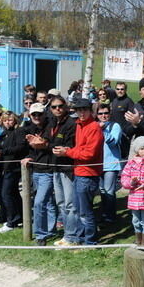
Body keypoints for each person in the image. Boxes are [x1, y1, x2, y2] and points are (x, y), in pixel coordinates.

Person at [53, 98, 102, 246]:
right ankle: (80, 239)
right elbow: (81, 150)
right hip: (79, 171)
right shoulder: (80, 125)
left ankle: (90, 242)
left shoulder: (93, 127)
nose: (81, 113)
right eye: (78, 110)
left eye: (84, 109)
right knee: (80, 209)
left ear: (90, 110)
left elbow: (89, 153)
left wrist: (68, 152)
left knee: (86, 212)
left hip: (88, 173)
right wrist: (70, 151)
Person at [43, 96, 79, 245]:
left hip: (68, 168)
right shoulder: (51, 122)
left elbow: (69, 144)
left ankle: (73, 236)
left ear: (65, 107)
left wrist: (54, 146)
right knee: (61, 203)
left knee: (71, 204)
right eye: (54, 107)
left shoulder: (71, 123)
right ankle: (67, 234)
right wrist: (42, 142)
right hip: (55, 166)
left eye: (60, 106)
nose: (57, 109)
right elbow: (48, 140)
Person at [24, 103, 57, 245]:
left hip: (48, 170)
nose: (37, 117)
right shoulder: (30, 128)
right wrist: (28, 156)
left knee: (39, 202)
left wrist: (40, 143)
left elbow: (49, 144)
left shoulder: (51, 127)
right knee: (48, 201)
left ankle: (40, 234)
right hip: (35, 169)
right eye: (34, 114)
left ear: (45, 114)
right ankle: (50, 229)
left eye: (39, 114)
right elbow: (27, 146)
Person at [0, 111, 28, 233]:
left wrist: (2, 152)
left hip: (14, 167)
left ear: (15, 121)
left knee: (6, 193)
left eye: (10, 120)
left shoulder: (19, 131)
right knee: (12, 193)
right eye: (5, 120)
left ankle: (11, 221)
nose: (8, 122)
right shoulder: (4, 133)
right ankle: (19, 217)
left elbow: (20, 147)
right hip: (5, 167)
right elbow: (1, 146)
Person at [121, 136, 144, 245]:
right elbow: (124, 178)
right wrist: (131, 182)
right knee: (135, 221)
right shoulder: (131, 164)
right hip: (134, 199)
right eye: (142, 148)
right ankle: (138, 241)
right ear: (137, 150)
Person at [97, 103, 122, 223]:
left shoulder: (115, 126)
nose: (103, 116)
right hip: (98, 163)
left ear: (110, 114)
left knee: (109, 190)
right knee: (102, 190)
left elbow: (113, 142)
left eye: (106, 113)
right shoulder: (95, 126)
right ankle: (104, 213)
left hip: (111, 164)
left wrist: (103, 131)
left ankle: (110, 217)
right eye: (100, 113)